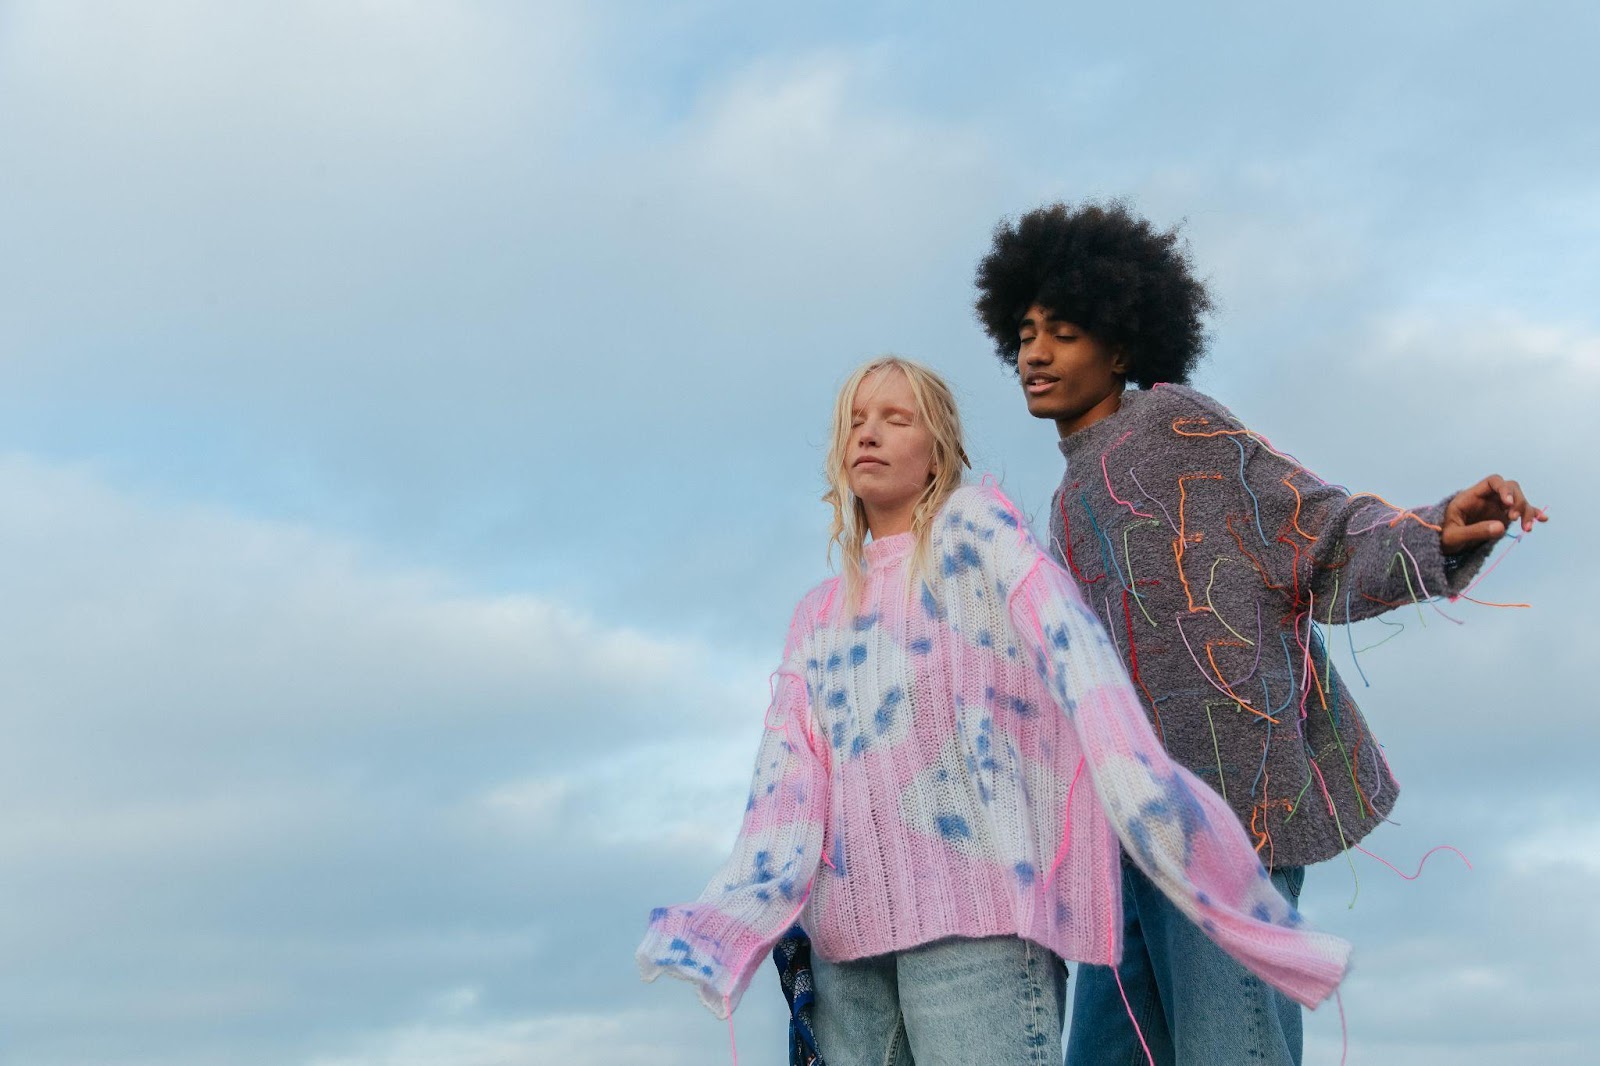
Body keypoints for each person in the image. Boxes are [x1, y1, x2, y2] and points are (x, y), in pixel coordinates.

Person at [636, 356, 1350, 1066]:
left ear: (939, 449)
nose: (869, 434)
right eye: (855, 420)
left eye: (895, 417)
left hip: (977, 935)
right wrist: (727, 920)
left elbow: (1088, 676)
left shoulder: (982, 538)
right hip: (845, 957)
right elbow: (784, 786)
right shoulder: (818, 615)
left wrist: (1171, 835)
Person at [972, 200, 1546, 1066]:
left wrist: (1435, 529)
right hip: (1122, 835)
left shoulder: (1175, 428)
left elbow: (1317, 532)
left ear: (1121, 347)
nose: (1036, 355)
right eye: (1024, 336)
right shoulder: (1063, 504)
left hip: (1225, 816)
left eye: (1064, 333)